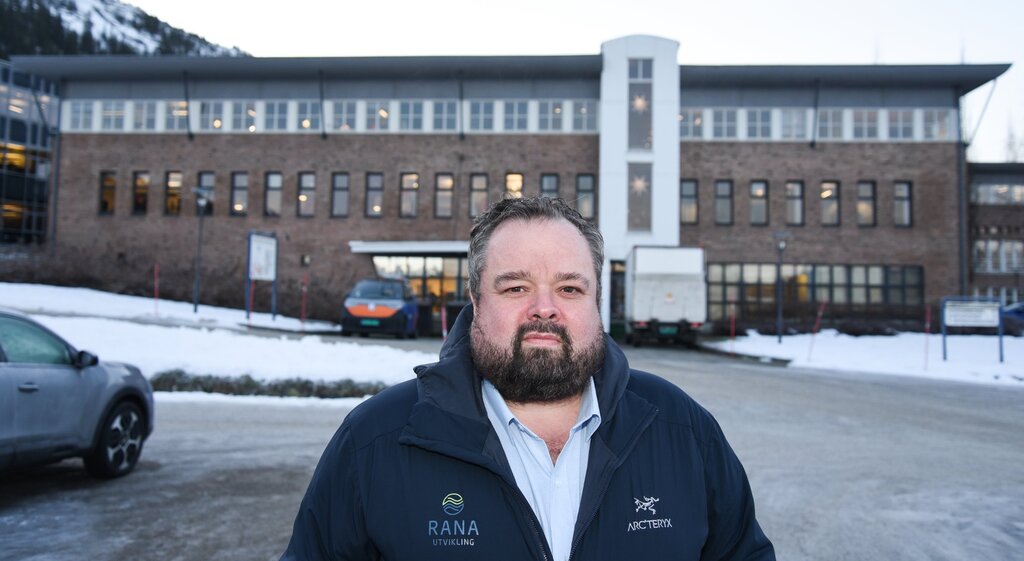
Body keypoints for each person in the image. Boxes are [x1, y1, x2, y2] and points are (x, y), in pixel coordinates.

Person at [281, 197, 775, 561]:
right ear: (476, 301)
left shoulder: (683, 430)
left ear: (597, 302)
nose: (545, 308)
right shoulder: (375, 441)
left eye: (570, 288)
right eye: (516, 287)